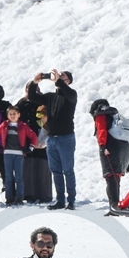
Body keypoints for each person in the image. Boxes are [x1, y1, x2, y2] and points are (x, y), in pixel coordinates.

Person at [27, 69, 77, 210]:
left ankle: (71, 200)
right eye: (59, 76)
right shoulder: (50, 97)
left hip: (66, 138)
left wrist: (59, 81)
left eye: (63, 77)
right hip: (52, 138)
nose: (59, 78)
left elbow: (68, 94)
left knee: (68, 170)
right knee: (55, 170)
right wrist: (35, 82)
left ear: (68, 81)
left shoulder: (71, 95)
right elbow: (32, 97)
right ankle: (60, 200)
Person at [0, 105, 39, 205]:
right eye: (10, 114)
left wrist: (30, 148)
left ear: (19, 115)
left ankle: (19, 198)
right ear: (7, 115)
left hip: (19, 154)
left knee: (19, 177)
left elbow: (33, 136)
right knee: (8, 177)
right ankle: (9, 198)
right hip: (7, 154)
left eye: (14, 114)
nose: (12, 116)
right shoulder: (4, 125)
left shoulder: (23, 126)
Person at [88, 99, 129, 210]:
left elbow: (102, 130)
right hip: (124, 149)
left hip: (110, 147)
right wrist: (127, 163)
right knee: (115, 178)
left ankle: (114, 207)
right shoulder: (114, 116)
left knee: (110, 177)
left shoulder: (100, 115)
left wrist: (103, 147)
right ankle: (116, 205)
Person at [20, 103, 53, 203]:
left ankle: (45, 195)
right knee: (30, 170)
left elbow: (51, 136)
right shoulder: (37, 123)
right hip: (32, 148)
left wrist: (43, 144)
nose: (41, 119)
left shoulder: (51, 124)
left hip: (46, 151)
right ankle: (29, 194)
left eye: (42, 116)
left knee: (44, 171)